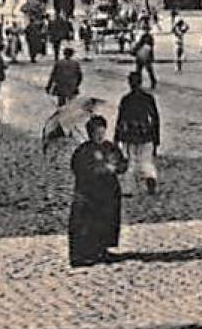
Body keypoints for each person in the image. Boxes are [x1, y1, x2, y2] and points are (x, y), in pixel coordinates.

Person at [68, 115, 127, 267]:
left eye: (102, 132)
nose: (99, 136)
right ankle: (88, 253)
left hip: (109, 192)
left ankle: (103, 250)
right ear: (90, 133)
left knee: (107, 221)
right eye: (96, 133)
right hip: (90, 193)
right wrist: (99, 168)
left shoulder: (110, 147)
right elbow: (78, 169)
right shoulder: (83, 151)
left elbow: (123, 164)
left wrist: (115, 167)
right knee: (90, 223)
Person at [115, 70, 161, 195]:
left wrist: (117, 138)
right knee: (146, 160)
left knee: (131, 161)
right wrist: (156, 139)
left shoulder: (126, 100)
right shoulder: (148, 99)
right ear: (141, 82)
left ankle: (128, 189)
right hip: (146, 134)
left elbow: (120, 120)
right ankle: (150, 177)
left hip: (130, 134)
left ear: (129, 83)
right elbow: (155, 119)